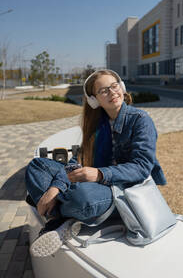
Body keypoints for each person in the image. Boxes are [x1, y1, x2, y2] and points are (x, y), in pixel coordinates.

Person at [25, 69, 166, 257]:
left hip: (123, 189)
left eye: (114, 86)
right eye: (103, 90)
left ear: (122, 87)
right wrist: (55, 188)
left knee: (83, 200)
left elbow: (141, 167)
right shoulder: (97, 125)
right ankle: (58, 219)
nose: (112, 92)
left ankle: (53, 212)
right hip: (94, 182)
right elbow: (77, 162)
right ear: (94, 100)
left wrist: (99, 174)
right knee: (38, 165)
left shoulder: (140, 120)